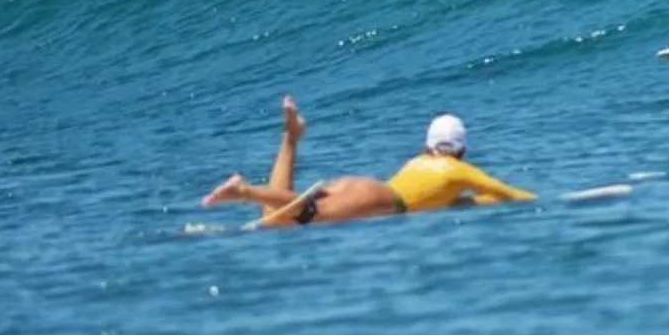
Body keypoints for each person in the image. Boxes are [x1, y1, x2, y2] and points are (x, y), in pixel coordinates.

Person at [201, 96, 536, 228]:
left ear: (427, 145)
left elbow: (446, 200)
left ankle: (291, 137)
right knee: (305, 213)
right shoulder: (459, 170)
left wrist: (472, 203)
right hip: (380, 199)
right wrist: (544, 204)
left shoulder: (419, 162)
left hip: (370, 189)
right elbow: (507, 193)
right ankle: (244, 190)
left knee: (278, 221)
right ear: (462, 151)